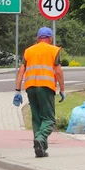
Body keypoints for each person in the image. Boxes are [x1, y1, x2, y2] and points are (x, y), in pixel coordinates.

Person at [13, 27, 65, 158]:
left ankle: (40, 148)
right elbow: (58, 72)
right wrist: (62, 89)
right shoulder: (54, 50)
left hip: (30, 87)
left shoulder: (29, 51)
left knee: (37, 118)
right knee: (49, 119)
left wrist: (17, 90)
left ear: (38, 38)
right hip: (46, 87)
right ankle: (40, 138)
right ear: (50, 38)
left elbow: (21, 71)